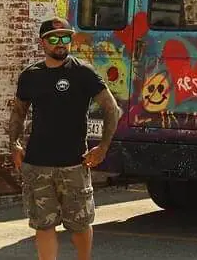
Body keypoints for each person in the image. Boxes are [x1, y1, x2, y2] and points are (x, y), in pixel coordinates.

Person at [8, 17, 122, 260]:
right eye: (54, 38)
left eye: (66, 37)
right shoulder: (30, 75)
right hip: (37, 164)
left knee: (80, 224)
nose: (61, 43)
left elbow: (112, 109)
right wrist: (14, 143)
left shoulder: (83, 72)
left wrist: (102, 147)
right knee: (44, 224)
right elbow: (18, 111)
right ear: (43, 43)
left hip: (74, 164)